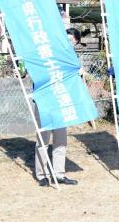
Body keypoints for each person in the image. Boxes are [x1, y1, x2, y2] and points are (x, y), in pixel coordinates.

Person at [35, 28, 83, 187]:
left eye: (72, 40)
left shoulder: (73, 59)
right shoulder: (48, 54)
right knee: (43, 140)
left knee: (61, 140)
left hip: (62, 103)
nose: (68, 42)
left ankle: (59, 173)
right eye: (66, 39)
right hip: (45, 102)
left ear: (76, 42)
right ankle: (42, 174)